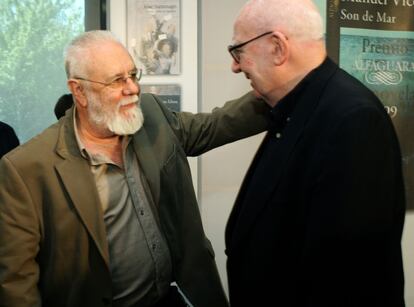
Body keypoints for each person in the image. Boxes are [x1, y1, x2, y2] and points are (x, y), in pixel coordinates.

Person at [0, 30, 268, 307]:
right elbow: (17, 282)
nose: (133, 88)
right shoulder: (26, 168)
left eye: (133, 75)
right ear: (79, 91)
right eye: (117, 80)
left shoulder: (151, 113)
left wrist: (281, 87)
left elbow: (215, 125)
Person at [224, 1, 406, 306]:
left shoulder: (352, 120)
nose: (235, 66)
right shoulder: (302, 106)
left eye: (238, 50)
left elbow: (346, 279)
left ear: (278, 47)